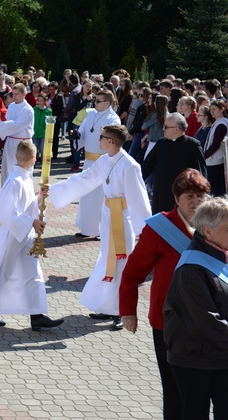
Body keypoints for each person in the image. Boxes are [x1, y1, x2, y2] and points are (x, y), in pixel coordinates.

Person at [120, 169, 210, 420]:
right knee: (174, 389)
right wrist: (128, 311)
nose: (196, 201)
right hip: (170, 321)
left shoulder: (216, 225)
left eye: (201, 196)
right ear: (177, 199)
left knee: (203, 390)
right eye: (189, 196)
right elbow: (132, 273)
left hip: (209, 322)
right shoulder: (160, 228)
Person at [49, 125, 151, 330]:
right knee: (107, 261)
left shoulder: (130, 166)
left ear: (111, 141)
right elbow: (84, 179)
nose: (99, 140)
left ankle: (121, 310)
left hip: (122, 218)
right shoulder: (104, 160)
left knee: (121, 263)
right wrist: (55, 190)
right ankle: (107, 306)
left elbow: (139, 198)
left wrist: (145, 230)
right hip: (107, 216)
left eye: (102, 137)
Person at [0, 141, 64, 330]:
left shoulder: (24, 177)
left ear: (16, 157)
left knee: (34, 274)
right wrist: (31, 221)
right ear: (34, 159)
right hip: (12, 236)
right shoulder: (15, 180)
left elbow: (27, 204)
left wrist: (40, 196)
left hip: (25, 235)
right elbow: (5, 210)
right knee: (2, 273)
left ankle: (37, 316)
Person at [163, 197, 228, 420]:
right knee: (194, 413)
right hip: (195, 359)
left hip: (220, 354)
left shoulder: (221, 252)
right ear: (208, 232)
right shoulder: (191, 269)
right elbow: (205, 322)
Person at [73, 90, 121, 238]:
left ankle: (100, 231)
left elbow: (115, 140)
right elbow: (83, 131)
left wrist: (106, 134)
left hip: (104, 163)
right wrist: (77, 135)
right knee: (87, 195)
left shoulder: (113, 118)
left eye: (98, 101)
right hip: (88, 162)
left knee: (101, 198)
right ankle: (86, 229)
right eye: (95, 100)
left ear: (107, 103)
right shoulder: (91, 114)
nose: (95, 103)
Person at [142, 113, 207, 214]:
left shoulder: (193, 145)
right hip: (161, 193)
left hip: (182, 195)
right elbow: (146, 167)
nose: (163, 129)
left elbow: (200, 174)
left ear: (176, 129)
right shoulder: (161, 143)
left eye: (166, 127)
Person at [0, 83, 34, 186]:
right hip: (11, 142)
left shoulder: (28, 109)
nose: (14, 96)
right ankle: (7, 193)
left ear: (24, 94)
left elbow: (16, 125)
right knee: (8, 168)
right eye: (13, 94)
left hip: (23, 143)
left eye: (17, 94)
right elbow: (8, 121)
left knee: (22, 169)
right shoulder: (11, 106)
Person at [203, 99, 228, 196]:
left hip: (216, 161)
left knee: (216, 190)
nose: (212, 112)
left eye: (214, 109)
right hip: (212, 160)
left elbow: (215, 144)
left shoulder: (222, 124)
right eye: (211, 109)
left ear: (222, 109)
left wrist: (204, 155)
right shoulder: (217, 122)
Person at [32, 92, 52, 163]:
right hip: (34, 133)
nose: (39, 102)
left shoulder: (48, 111)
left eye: (41, 100)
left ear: (45, 101)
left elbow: (50, 123)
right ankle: (33, 163)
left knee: (43, 149)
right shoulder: (34, 109)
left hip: (43, 134)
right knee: (33, 150)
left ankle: (44, 164)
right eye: (38, 100)